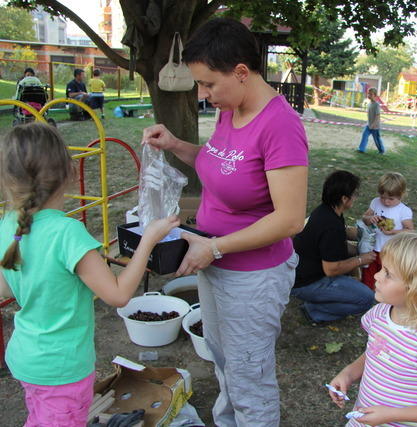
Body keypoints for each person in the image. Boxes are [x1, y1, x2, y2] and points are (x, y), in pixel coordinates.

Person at [141, 18, 308, 427]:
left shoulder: (280, 125)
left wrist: (215, 247)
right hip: (214, 263)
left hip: (253, 276)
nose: (202, 94)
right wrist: (176, 145)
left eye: (208, 84)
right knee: (223, 362)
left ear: (241, 73)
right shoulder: (230, 110)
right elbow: (221, 165)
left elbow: (289, 219)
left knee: (249, 376)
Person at [0, 122, 179, 427]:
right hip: (62, 368)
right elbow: (119, 295)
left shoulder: (8, 224)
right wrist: (148, 239)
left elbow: (5, 289)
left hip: (26, 357)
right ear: (70, 172)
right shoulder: (68, 233)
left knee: (40, 416)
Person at [328, 232, 417, 427]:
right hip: (362, 421)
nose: (376, 276)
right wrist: (348, 373)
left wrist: (391, 414)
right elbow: (375, 352)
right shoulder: (380, 314)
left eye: (388, 274)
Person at [292, 170, 376, 324]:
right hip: (307, 283)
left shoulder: (327, 210)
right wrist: (360, 259)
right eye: (354, 194)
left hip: (299, 274)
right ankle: (315, 311)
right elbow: (331, 269)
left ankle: (322, 300)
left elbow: (341, 235)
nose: (356, 198)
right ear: (344, 199)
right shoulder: (331, 226)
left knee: (352, 256)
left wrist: (363, 235)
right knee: (367, 299)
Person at [361, 172, 414, 289]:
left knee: (387, 276)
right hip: (372, 247)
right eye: (383, 197)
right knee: (369, 274)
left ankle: (384, 296)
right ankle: (367, 293)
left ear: (401, 195)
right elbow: (364, 218)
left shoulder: (403, 211)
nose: (386, 202)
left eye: (391, 199)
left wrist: (393, 232)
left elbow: (410, 231)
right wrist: (370, 218)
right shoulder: (375, 202)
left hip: (391, 251)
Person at [357, 87, 385, 154]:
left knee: (377, 140)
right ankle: (361, 149)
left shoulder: (377, 105)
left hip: (375, 126)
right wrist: (368, 123)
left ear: (375, 96)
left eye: (371, 94)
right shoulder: (369, 104)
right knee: (364, 135)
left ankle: (381, 150)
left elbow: (377, 116)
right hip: (368, 125)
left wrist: (373, 125)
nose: (369, 95)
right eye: (368, 94)